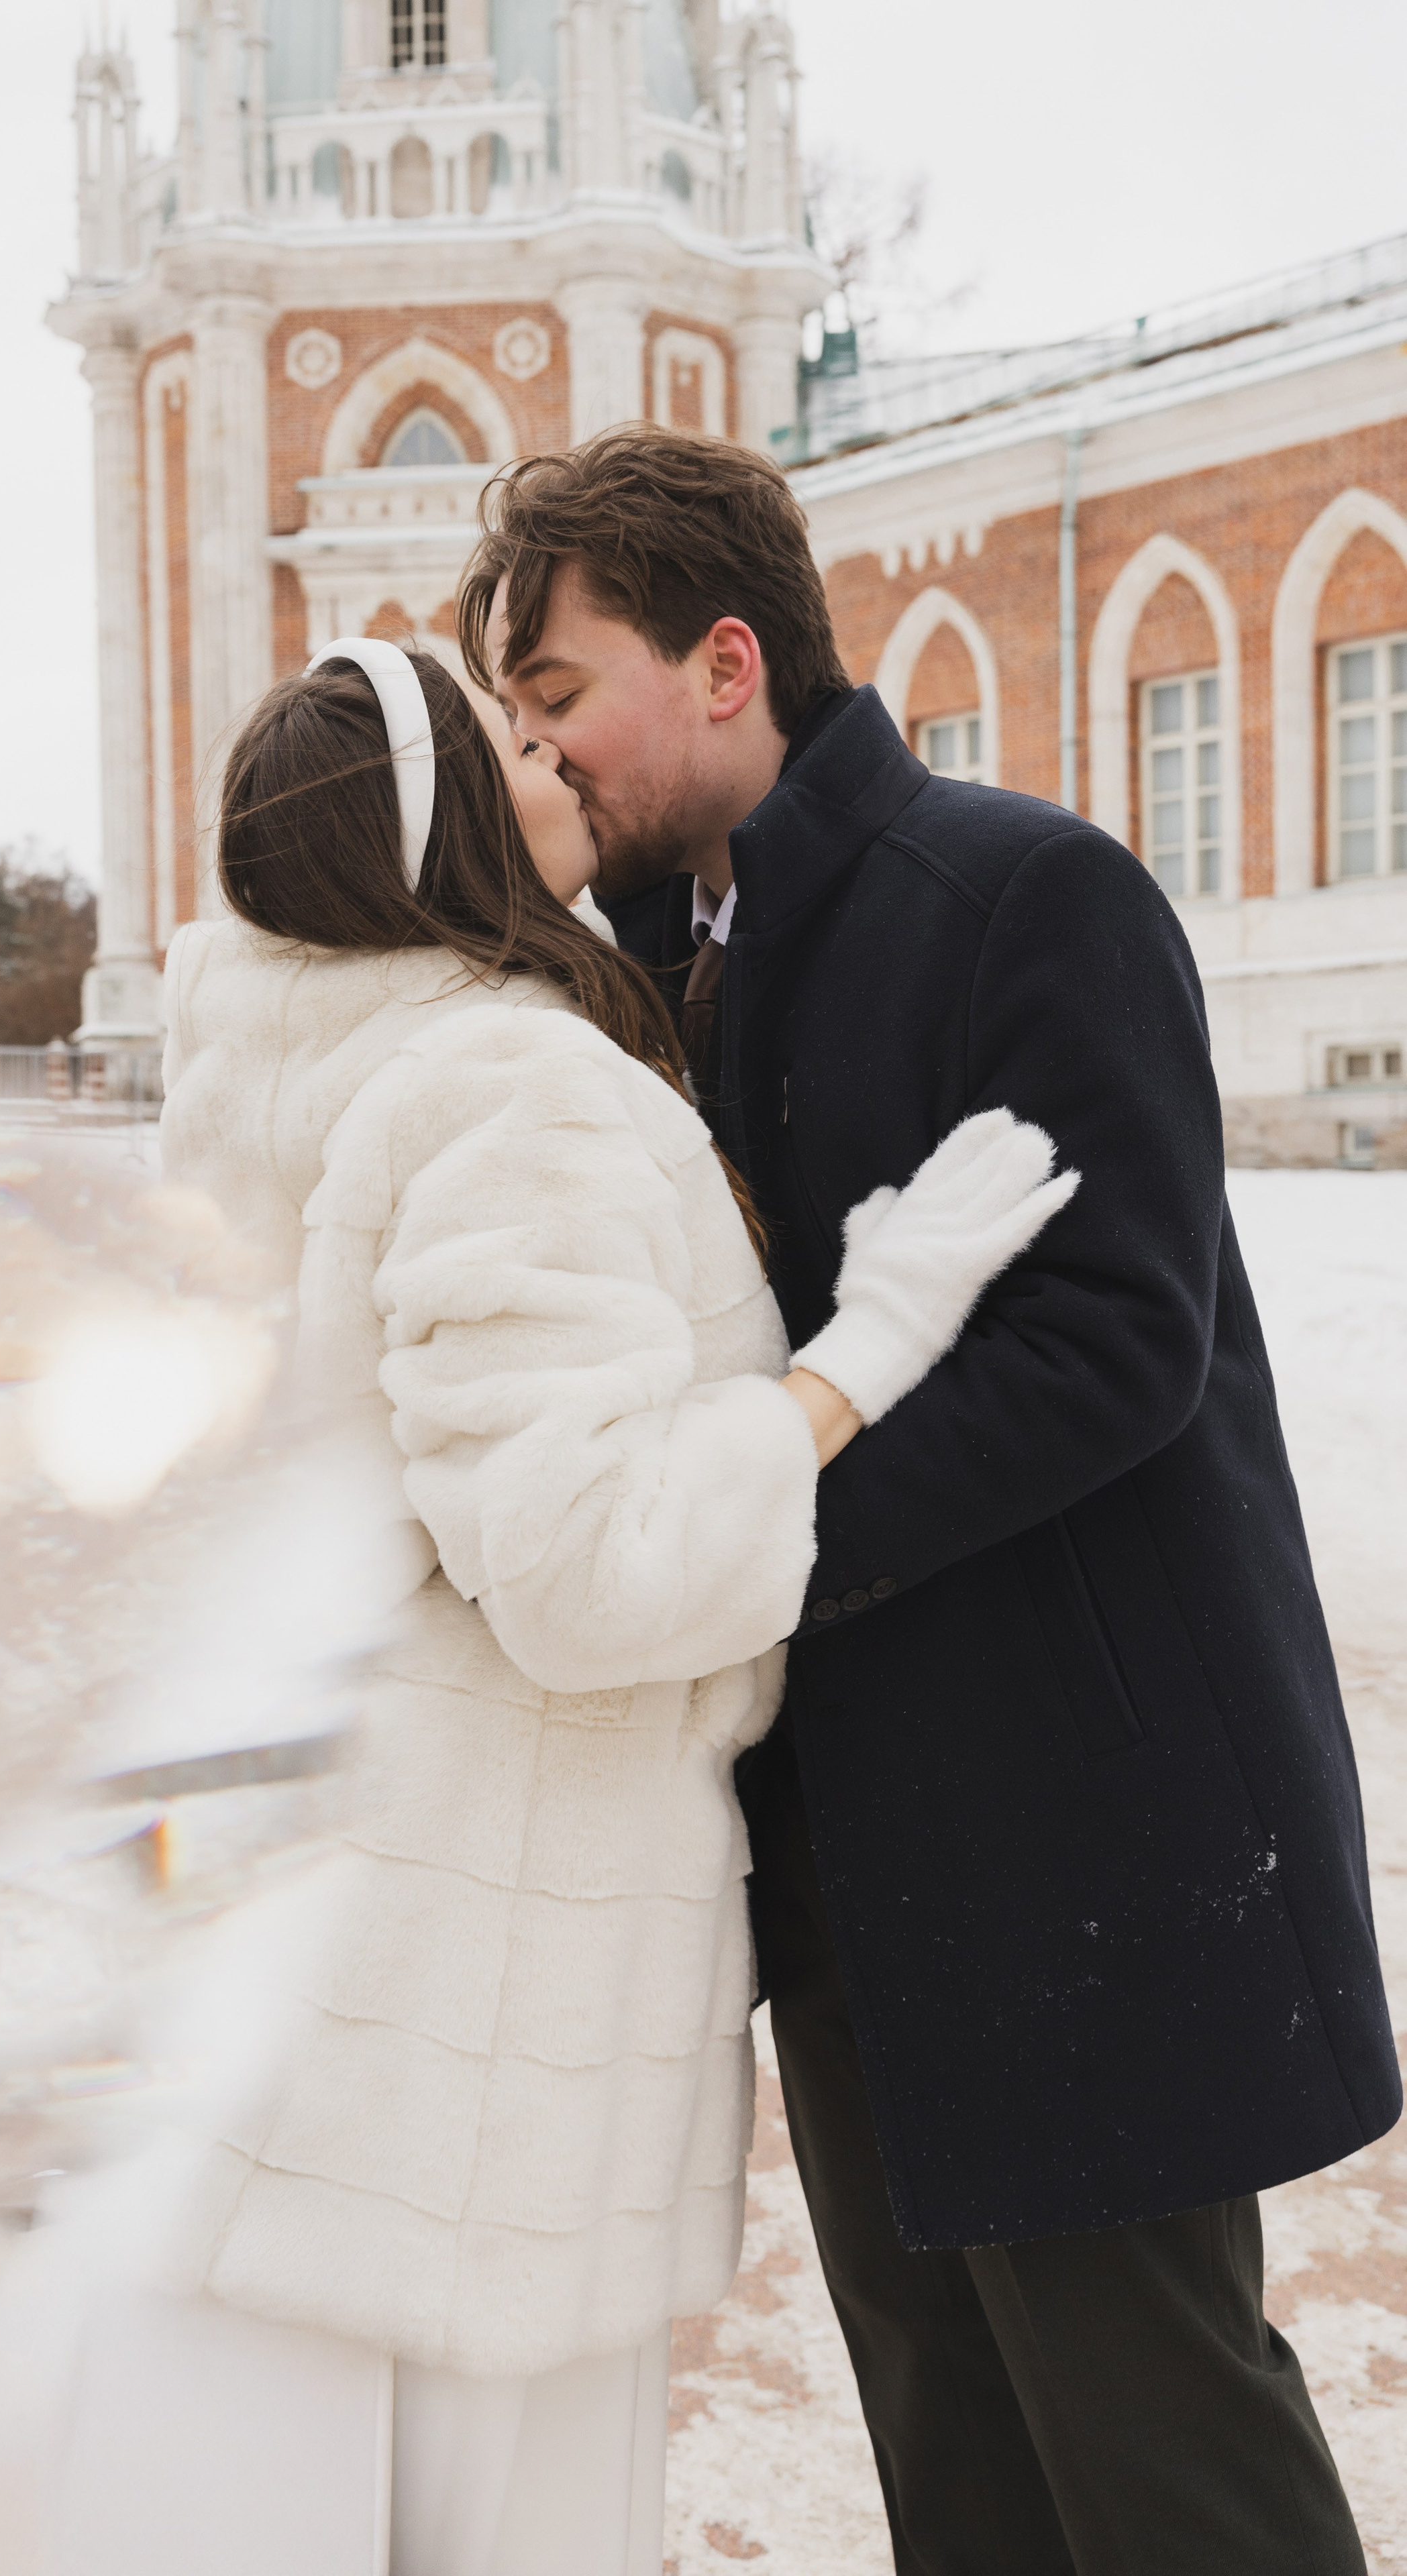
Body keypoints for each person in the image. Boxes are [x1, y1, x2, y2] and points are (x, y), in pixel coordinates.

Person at [456, 421, 1402, 2576]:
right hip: (858, 1854)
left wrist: (757, 1554)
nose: (543, 751)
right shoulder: (658, 967)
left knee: (1163, 2459)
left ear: (718, 663)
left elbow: (1112, 1348)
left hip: (1087, 1827)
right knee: (955, 2457)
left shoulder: (1021, 892)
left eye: (556, 698)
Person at [42, 636, 1074, 2576]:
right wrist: (867, 1352)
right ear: (431, 833)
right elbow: (597, 1570)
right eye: (513, 740)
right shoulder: (512, 1088)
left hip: (308, 1956)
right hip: (479, 2011)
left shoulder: (267, 1077)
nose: (560, 760)